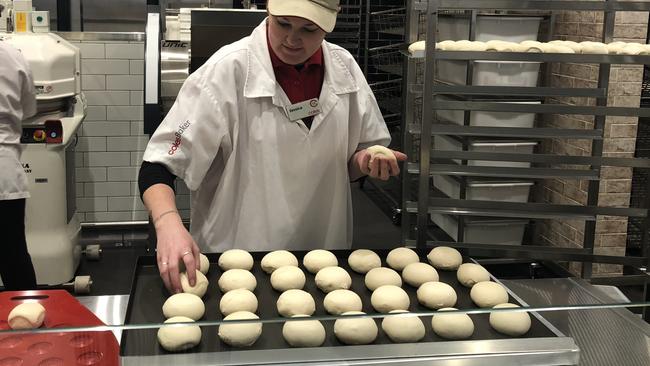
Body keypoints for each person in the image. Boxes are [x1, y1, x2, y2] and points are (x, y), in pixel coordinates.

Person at [138, 0, 407, 293]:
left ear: (330, 24)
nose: (292, 39)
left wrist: (366, 160)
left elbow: (350, 164)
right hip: (237, 262)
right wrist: (168, 225)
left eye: (309, 29)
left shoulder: (345, 71)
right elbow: (158, 167)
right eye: (283, 24)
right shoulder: (227, 71)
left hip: (324, 259)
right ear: (268, 11)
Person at [0, 6, 39, 291]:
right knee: (13, 256)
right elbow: (29, 109)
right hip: (5, 173)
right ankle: (27, 320)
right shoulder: (13, 57)